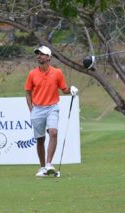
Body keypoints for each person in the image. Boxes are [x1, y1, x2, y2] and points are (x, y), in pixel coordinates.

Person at [24, 45, 78, 177]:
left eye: (42, 54)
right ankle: (42, 167)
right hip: (37, 109)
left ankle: (49, 164)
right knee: (40, 139)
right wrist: (31, 109)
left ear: (48, 57)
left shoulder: (57, 72)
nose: (39, 56)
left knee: (53, 133)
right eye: (38, 54)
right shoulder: (32, 74)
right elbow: (27, 93)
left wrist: (71, 90)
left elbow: (64, 89)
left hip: (52, 107)